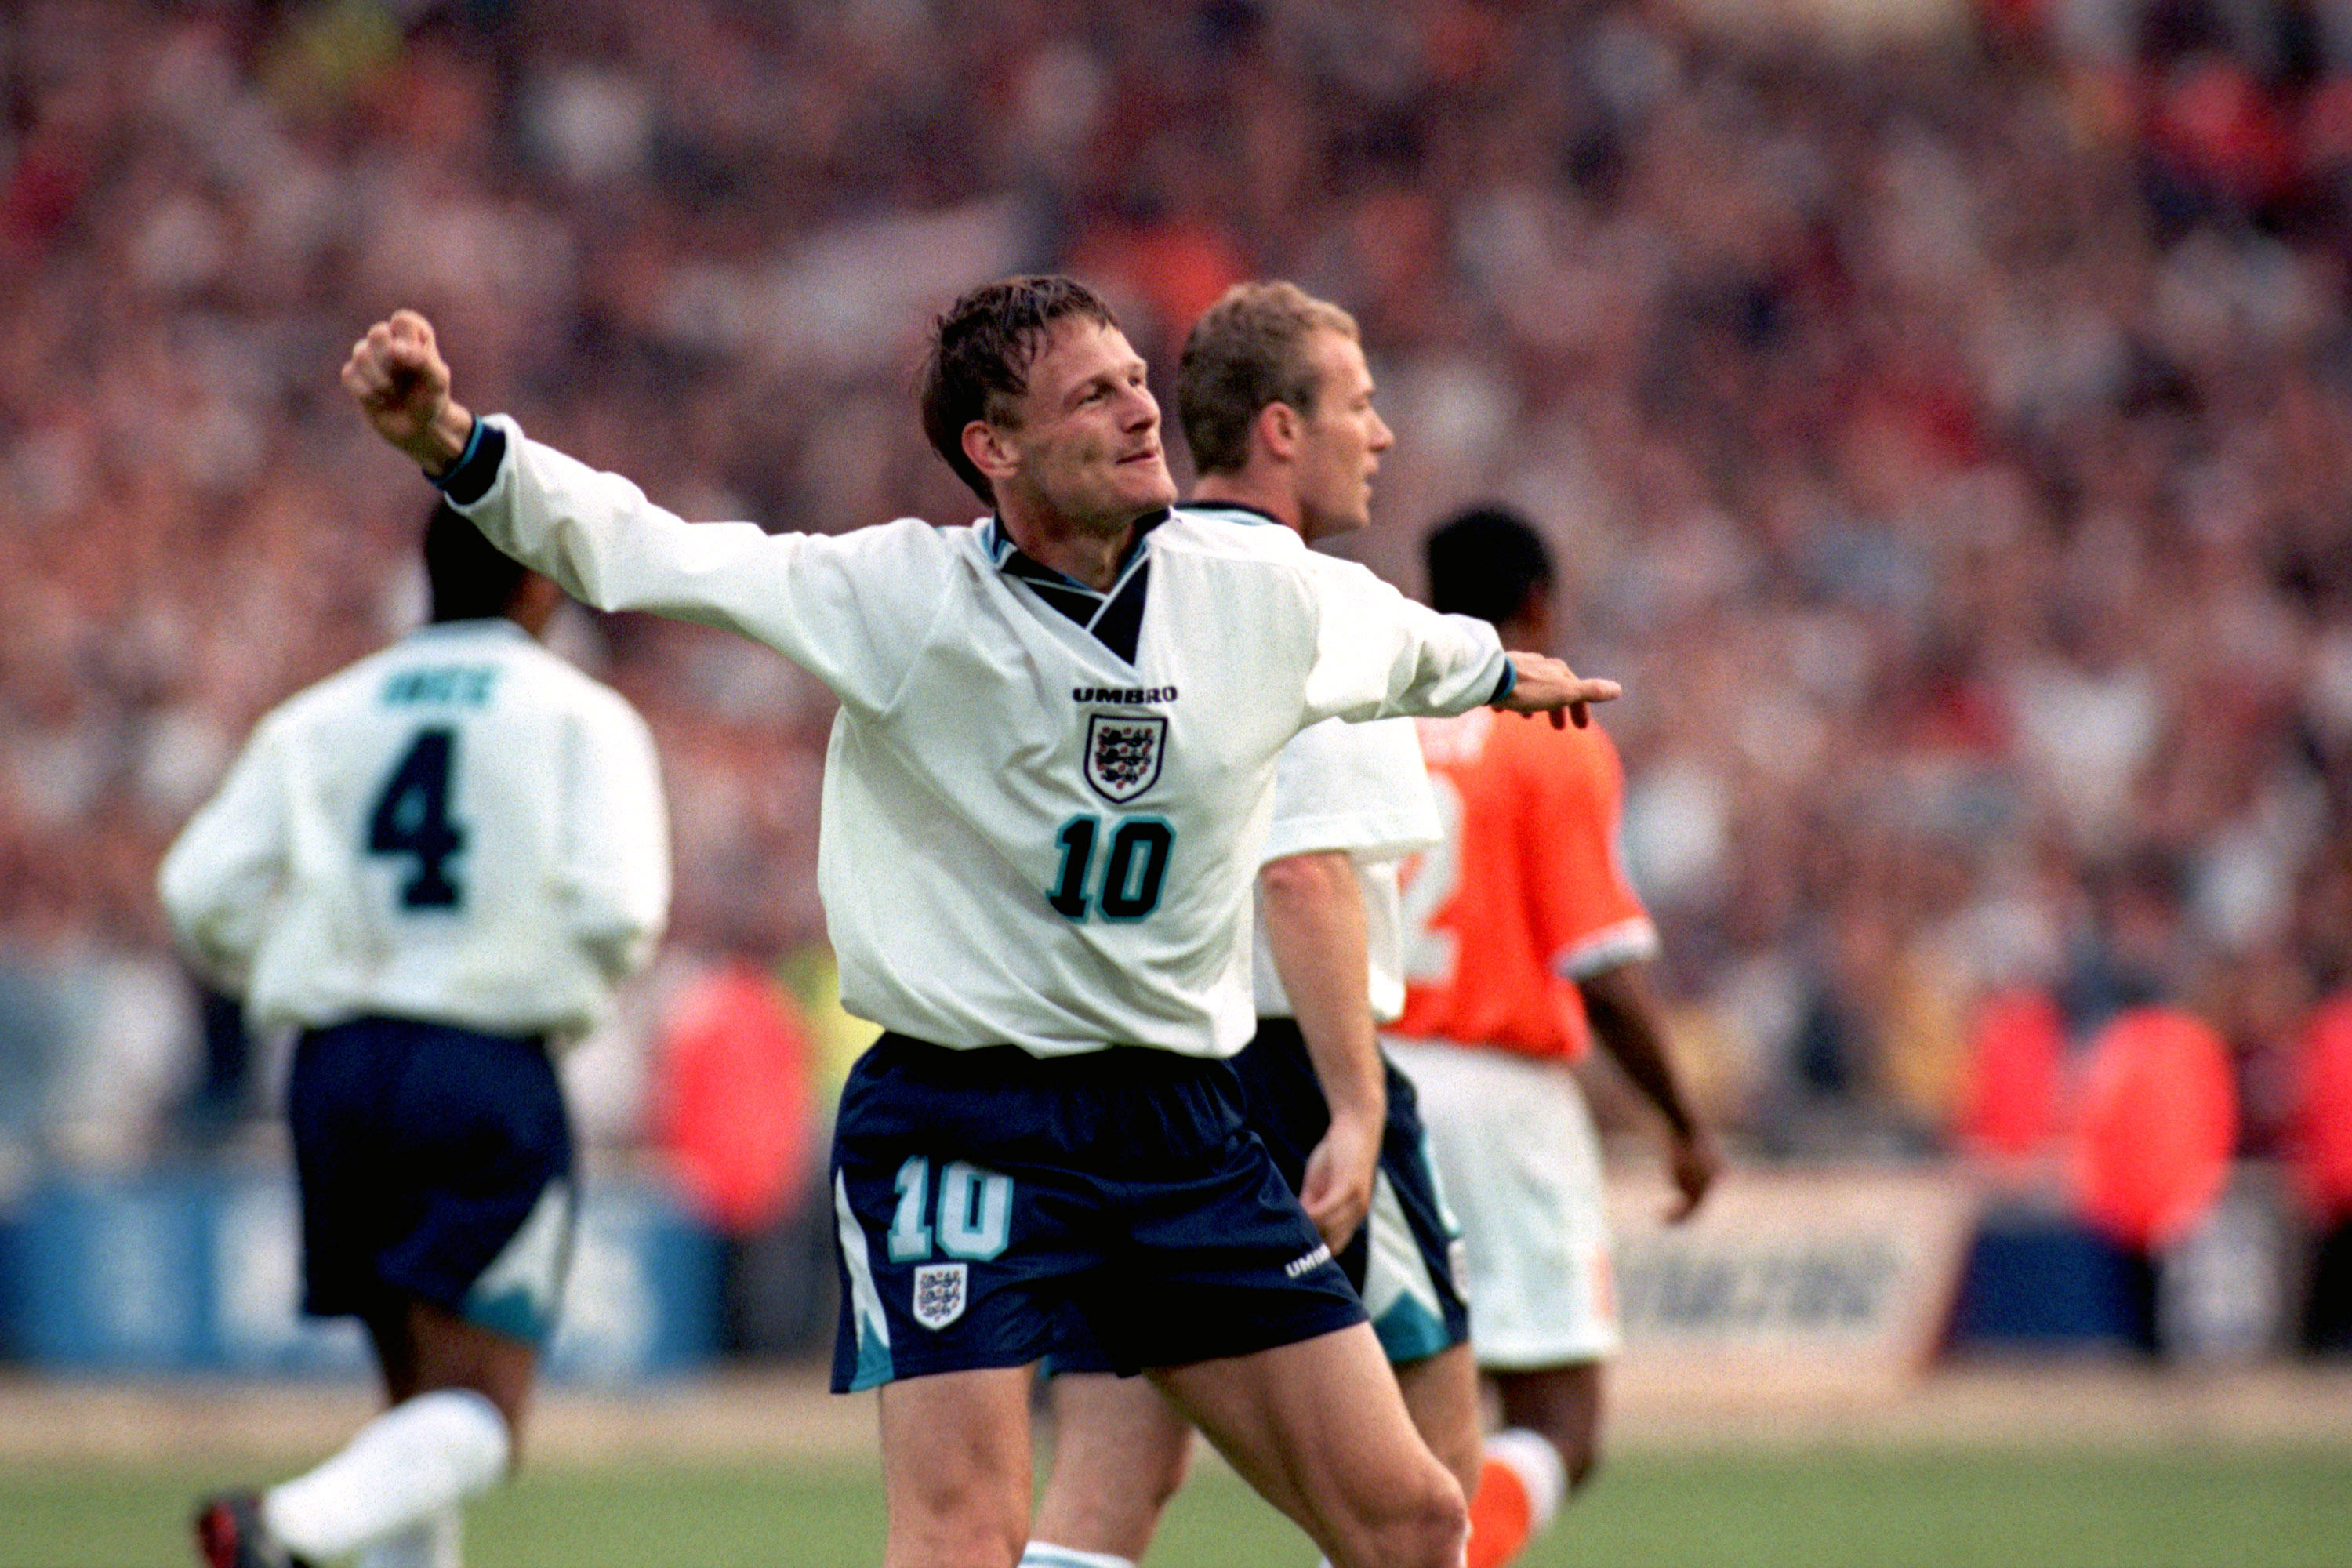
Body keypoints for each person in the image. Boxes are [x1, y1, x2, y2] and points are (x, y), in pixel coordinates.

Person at [339, 282, 1617, 1568]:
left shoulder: (1248, 584)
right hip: (966, 1122)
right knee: (964, 1534)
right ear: (993, 452)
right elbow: (646, 548)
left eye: (1133, 379)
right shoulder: (903, 598)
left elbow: (1392, 642)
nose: (1138, 409)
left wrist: (1498, 669)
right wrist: (456, 445)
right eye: (1092, 395)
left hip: (1182, 1123)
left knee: (1410, 1519)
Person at [1025, 281, 1490, 1568]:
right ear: (1280, 429)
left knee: (1108, 1485)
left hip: (1115, 1076)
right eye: (1359, 402)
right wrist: (1356, 1103)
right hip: (1281, 1062)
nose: (1381, 432)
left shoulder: (1117, 585)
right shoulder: (1296, 601)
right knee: (1431, 1486)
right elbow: (1306, 872)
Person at [160, 504, 671, 1568]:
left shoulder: (320, 715)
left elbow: (198, 891)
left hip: (338, 1063)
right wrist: (547, 991)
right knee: (482, 1412)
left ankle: (308, 1526)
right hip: (483, 1061)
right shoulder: (579, 716)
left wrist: (304, 968)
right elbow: (623, 910)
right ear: (539, 588)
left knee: (414, 1411)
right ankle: (283, 1527)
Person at [1384, 506, 1721, 1568]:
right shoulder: (1550, 733)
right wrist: (1682, 1119)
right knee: (1561, 1423)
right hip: (1499, 1096)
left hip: (1368, 1081)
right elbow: (1602, 968)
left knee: (1398, 1427)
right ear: (1537, 605)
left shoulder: (1365, 720)